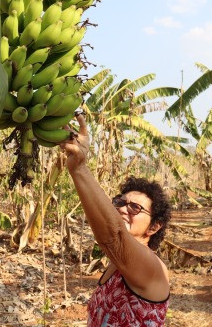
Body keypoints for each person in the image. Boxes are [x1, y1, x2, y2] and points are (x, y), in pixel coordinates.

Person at [60, 114, 171, 327]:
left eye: (135, 208)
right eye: (120, 202)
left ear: (154, 226)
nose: (123, 209)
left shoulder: (152, 267)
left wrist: (80, 168)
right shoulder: (116, 264)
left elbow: (113, 236)